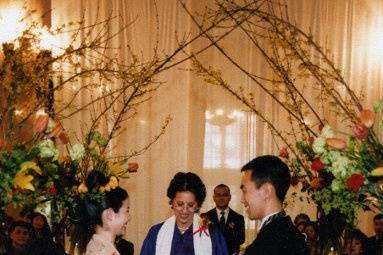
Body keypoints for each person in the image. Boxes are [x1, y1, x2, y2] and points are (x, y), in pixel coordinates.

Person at [140, 172, 229, 255]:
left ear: (197, 205)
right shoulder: (156, 233)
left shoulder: (212, 234)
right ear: (172, 202)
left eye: (190, 205)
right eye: (180, 204)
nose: (184, 210)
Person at [240, 155, 308, 255]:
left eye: (245, 191)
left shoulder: (270, 243)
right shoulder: (287, 233)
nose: (242, 199)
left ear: (266, 191)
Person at [75, 170, 130, 255]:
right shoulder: (104, 251)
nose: (129, 217)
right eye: (127, 211)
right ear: (110, 214)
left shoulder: (95, 245)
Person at [203, 184, 245, 255]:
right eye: (218, 195)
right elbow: (202, 241)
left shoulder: (238, 218)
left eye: (225, 195)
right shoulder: (205, 217)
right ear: (214, 198)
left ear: (230, 197)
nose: (221, 198)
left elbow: (241, 242)